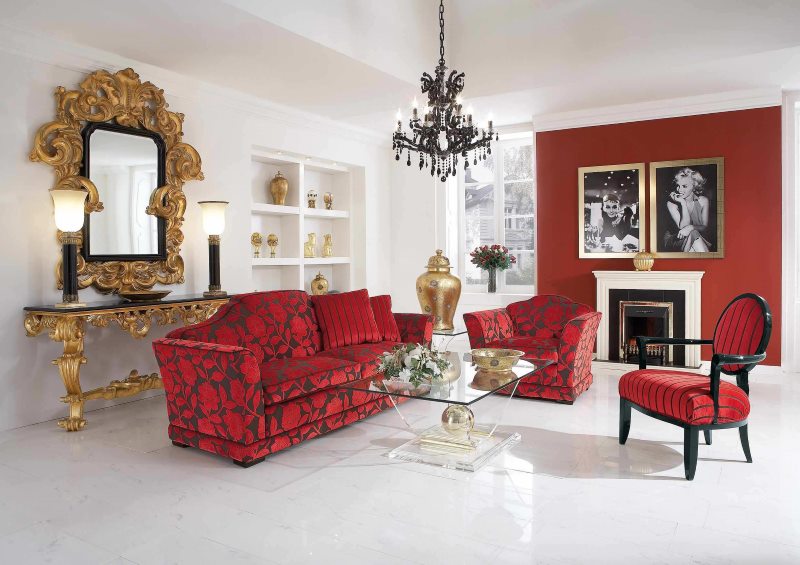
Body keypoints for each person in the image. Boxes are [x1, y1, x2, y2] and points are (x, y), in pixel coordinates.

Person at [664, 167, 710, 252]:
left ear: (694, 186)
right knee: (694, 234)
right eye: (678, 186)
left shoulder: (703, 201)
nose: (679, 190)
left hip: (695, 238)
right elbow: (682, 227)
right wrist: (683, 203)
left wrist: (691, 227)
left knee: (693, 235)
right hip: (675, 239)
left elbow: (704, 227)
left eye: (684, 186)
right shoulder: (671, 204)